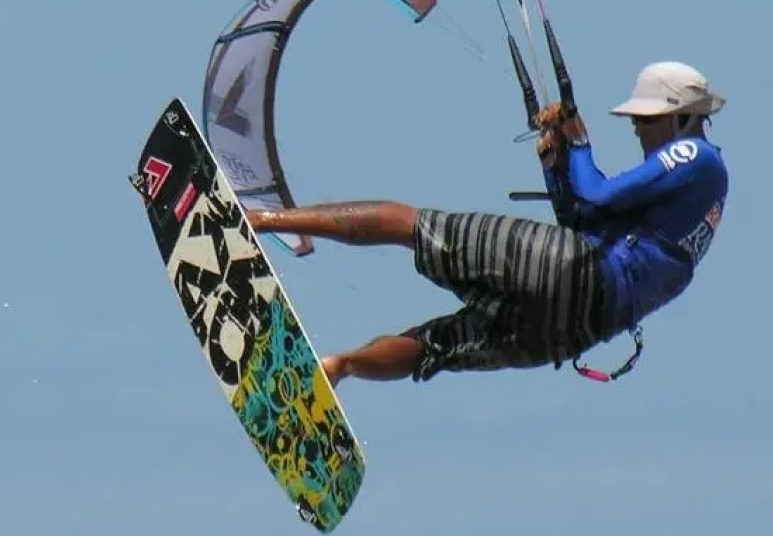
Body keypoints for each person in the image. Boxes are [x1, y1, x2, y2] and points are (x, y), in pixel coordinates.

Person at [242, 60, 730, 386]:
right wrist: (555, 163)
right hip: (573, 329)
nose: (637, 129)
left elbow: (597, 194)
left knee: (414, 226)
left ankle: (260, 220)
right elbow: (579, 216)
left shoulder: (697, 155)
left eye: (645, 119)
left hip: (578, 273)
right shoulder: (688, 200)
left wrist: (579, 144)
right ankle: (337, 367)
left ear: (682, 118)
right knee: (432, 347)